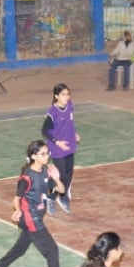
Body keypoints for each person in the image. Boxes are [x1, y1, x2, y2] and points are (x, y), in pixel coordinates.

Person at [0, 140, 65, 267]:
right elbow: (16, 198)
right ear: (34, 156)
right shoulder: (27, 177)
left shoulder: (46, 171)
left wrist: (57, 178)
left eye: (48, 153)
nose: (47, 156)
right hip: (30, 218)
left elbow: (61, 189)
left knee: (19, 249)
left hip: (36, 216)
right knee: (52, 250)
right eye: (43, 154)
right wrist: (19, 210)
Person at [41, 83, 80, 214]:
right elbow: (45, 131)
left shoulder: (70, 106)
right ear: (56, 96)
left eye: (68, 94)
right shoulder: (53, 112)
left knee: (69, 174)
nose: (66, 97)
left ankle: (63, 198)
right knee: (62, 175)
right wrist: (57, 142)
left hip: (69, 144)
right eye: (63, 95)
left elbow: (69, 123)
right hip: (57, 147)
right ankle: (51, 198)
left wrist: (74, 134)